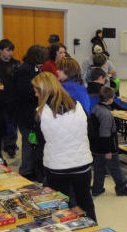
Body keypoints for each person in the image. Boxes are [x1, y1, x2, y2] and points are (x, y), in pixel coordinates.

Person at [31, 72, 96, 221]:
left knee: (61, 205)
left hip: (57, 167)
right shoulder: (79, 106)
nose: (35, 94)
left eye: (36, 90)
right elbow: (90, 132)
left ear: (44, 91)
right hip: (83, 164)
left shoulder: (40, 113)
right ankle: (93, 229)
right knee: (85, 200)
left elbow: (40, 142)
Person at [89, 86, 127, 198]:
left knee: (99, 168)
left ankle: (97, 188)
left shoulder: (96, 108)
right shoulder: (106, 114)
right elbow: (105, 134)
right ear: (110, 99)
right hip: (108, 147)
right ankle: (121, 188)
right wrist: (108, 151)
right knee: (115, 168)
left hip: (97, 146)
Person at [14, 45, 48, 180]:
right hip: (26, 113)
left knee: (33, 142)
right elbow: (26, 92)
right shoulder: (24, 70)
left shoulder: (34, 68)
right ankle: (26, 171)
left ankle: (32, 169)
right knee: (28, 142)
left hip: (31, 112)